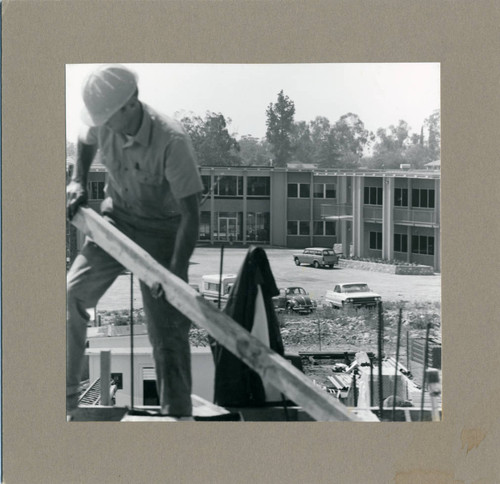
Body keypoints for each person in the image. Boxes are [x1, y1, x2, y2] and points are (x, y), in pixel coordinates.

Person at [66, 64, 203, 421]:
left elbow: (191, 215)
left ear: (132, 103)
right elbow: (85, 139)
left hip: (162, 231)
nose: (106, 126)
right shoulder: (105, 116)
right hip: (116, 223)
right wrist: (77, 180)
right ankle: (64, 401)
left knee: (168, 329)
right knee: (71, 295)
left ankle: (178, 417)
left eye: (110, 118)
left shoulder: (172, 142)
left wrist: (175, 275)